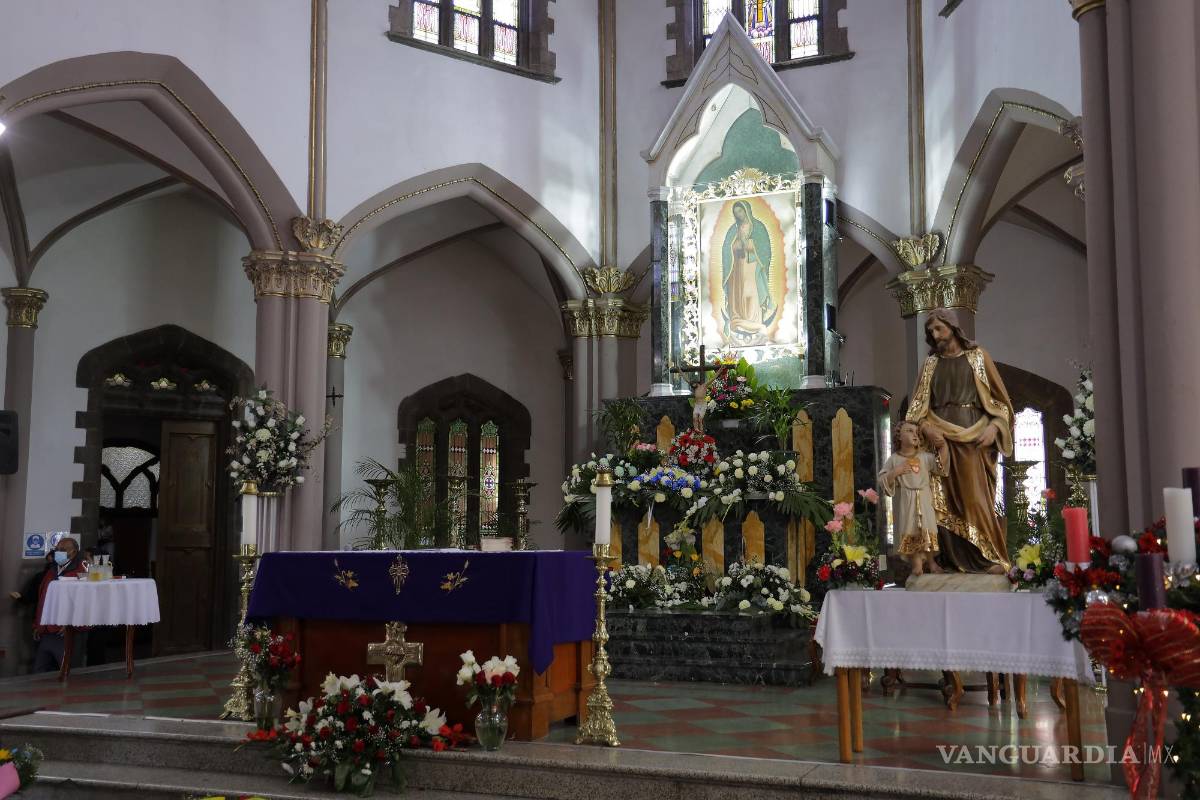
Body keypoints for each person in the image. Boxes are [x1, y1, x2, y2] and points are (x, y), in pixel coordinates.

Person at [905, 308, 1015, 574]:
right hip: (939, 439)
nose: (934, 334)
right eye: (930, 331)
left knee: (975, 499)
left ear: (953, 327)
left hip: (973, 438)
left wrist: (995, 426)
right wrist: (925, 425)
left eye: (938, 329)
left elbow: (1002, 404)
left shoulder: (978, 357)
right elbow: (917, 406)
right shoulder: (931, 364)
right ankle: (947, 560)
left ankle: (987, 557)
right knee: (939, 502)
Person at [879, 421, 945, 576]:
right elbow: (881, 478)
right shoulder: (895, 459)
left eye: (916, 432)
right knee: (911, 529)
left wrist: (943, 446)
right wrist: (896, 471)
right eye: (909, 431)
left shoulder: (924, 457)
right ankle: (916, 565)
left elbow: (941, 466)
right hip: (907, 500)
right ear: (899, 437)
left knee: (927, 529)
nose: (915, 434)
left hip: (924, 497)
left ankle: (931, 563)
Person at [33, 537, 86, 673]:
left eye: (63, 550)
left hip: (65, 632)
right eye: (57, 549)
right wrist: (37, 624)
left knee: (68, 672)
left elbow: (83, 602)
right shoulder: (51, 571)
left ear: (74, 552)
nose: (59, 552)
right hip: (46, 630)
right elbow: (43, 598)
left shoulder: (81, 573)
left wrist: (71, 623)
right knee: (40, 671)